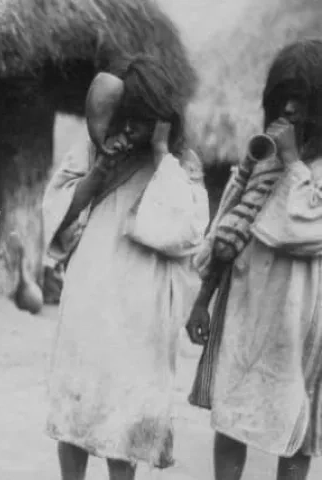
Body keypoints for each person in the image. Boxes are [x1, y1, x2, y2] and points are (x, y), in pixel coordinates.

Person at [41, 56, 209, 480]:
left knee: (128, 409)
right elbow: (57, 211)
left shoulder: (180, 164)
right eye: (127, 118)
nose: (130, 129)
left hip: (142, 303)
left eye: (142, 120)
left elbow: (186, 232)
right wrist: (100, 171)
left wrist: (158, 154)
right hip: (90, 291)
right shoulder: (94, 150)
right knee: (78, 402)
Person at [185, 39, 322, 480]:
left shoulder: (308, 165)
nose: (289, 108)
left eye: (301, 99)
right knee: (233, 414)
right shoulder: (259, 158)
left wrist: (294, 161)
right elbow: (228, 226)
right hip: (245, 303)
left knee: (297, 428)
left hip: (301, 316)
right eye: (282, 98)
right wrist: (202, 298)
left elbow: (301, 229)